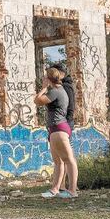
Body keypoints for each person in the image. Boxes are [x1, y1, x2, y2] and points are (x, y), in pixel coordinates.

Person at [34, 66, 78, 199]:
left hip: (60, 128)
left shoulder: (56, 91)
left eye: (45, 78)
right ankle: (55, 189)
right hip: (54, 129)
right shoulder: (57, 90)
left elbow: (37, 101)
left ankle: (72, 190)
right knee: (58, 161)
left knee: (69, 160)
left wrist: (44, 88)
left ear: (49, 79)